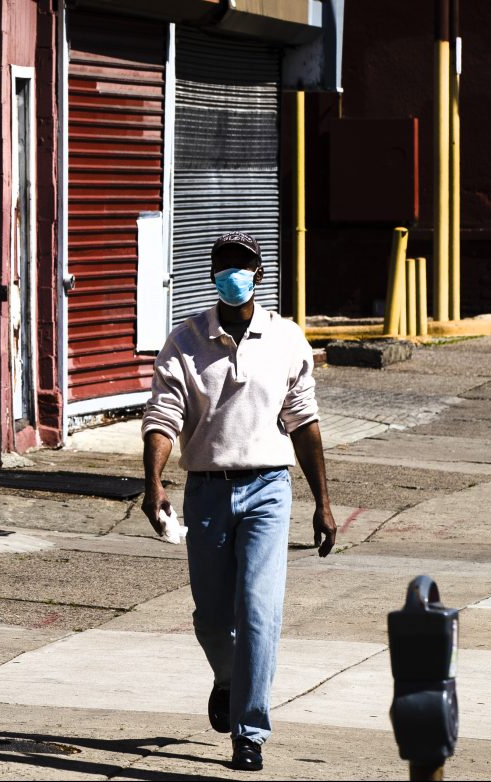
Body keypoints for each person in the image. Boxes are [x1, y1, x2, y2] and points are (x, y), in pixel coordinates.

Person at [141, 231, 337, 772]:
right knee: (210, 618)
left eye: (243, 264)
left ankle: (250, 731)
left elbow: (305, 423)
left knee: (258, 609)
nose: (234, 272)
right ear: (211, 274)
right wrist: (154, 483)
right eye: (224, 263)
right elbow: (162, 419)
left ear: (259, 274)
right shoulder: (185, 342)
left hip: (269, 489)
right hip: (206, 490)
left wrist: (323, 501)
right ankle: (228, 679)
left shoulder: (287, 339)